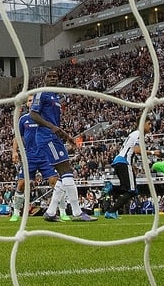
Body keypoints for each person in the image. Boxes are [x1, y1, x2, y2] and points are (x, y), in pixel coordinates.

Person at [30, 69, 96, 222]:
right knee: (66, 171)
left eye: (55, 76)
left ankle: (51, 212)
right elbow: (33, 114)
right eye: (50, 76)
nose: (53, 78)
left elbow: (55, 124)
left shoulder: (55, 97)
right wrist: (51, 127)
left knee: (64, 174)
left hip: (54, 137)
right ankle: (77, 212)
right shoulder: (42, 93)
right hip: (47, 137)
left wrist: (67, 137)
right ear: (45, 78)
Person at [10, 95, 66, 222]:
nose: (31, 102)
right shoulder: (23, 120)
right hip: (29, 157)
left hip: (45, 156)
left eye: (33, 100)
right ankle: (16, 212)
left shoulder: (45, 119)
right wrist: (14, 152)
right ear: (27, 104)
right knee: (22, 184)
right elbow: (17, 137)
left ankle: (62, 211)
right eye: (29, 101)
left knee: (55, 182)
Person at [105, 117, 158, 219]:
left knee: (128, 189)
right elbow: (137, 150)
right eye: (149, 124)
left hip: (120, 161)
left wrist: (133, 166)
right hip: (124, 162)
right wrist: (153, 152)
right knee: (132, 191)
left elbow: (131, 151)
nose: (151, 126)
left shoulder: (133, 134)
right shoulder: (139, 134)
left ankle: (112, 190)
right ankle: (111, 210)